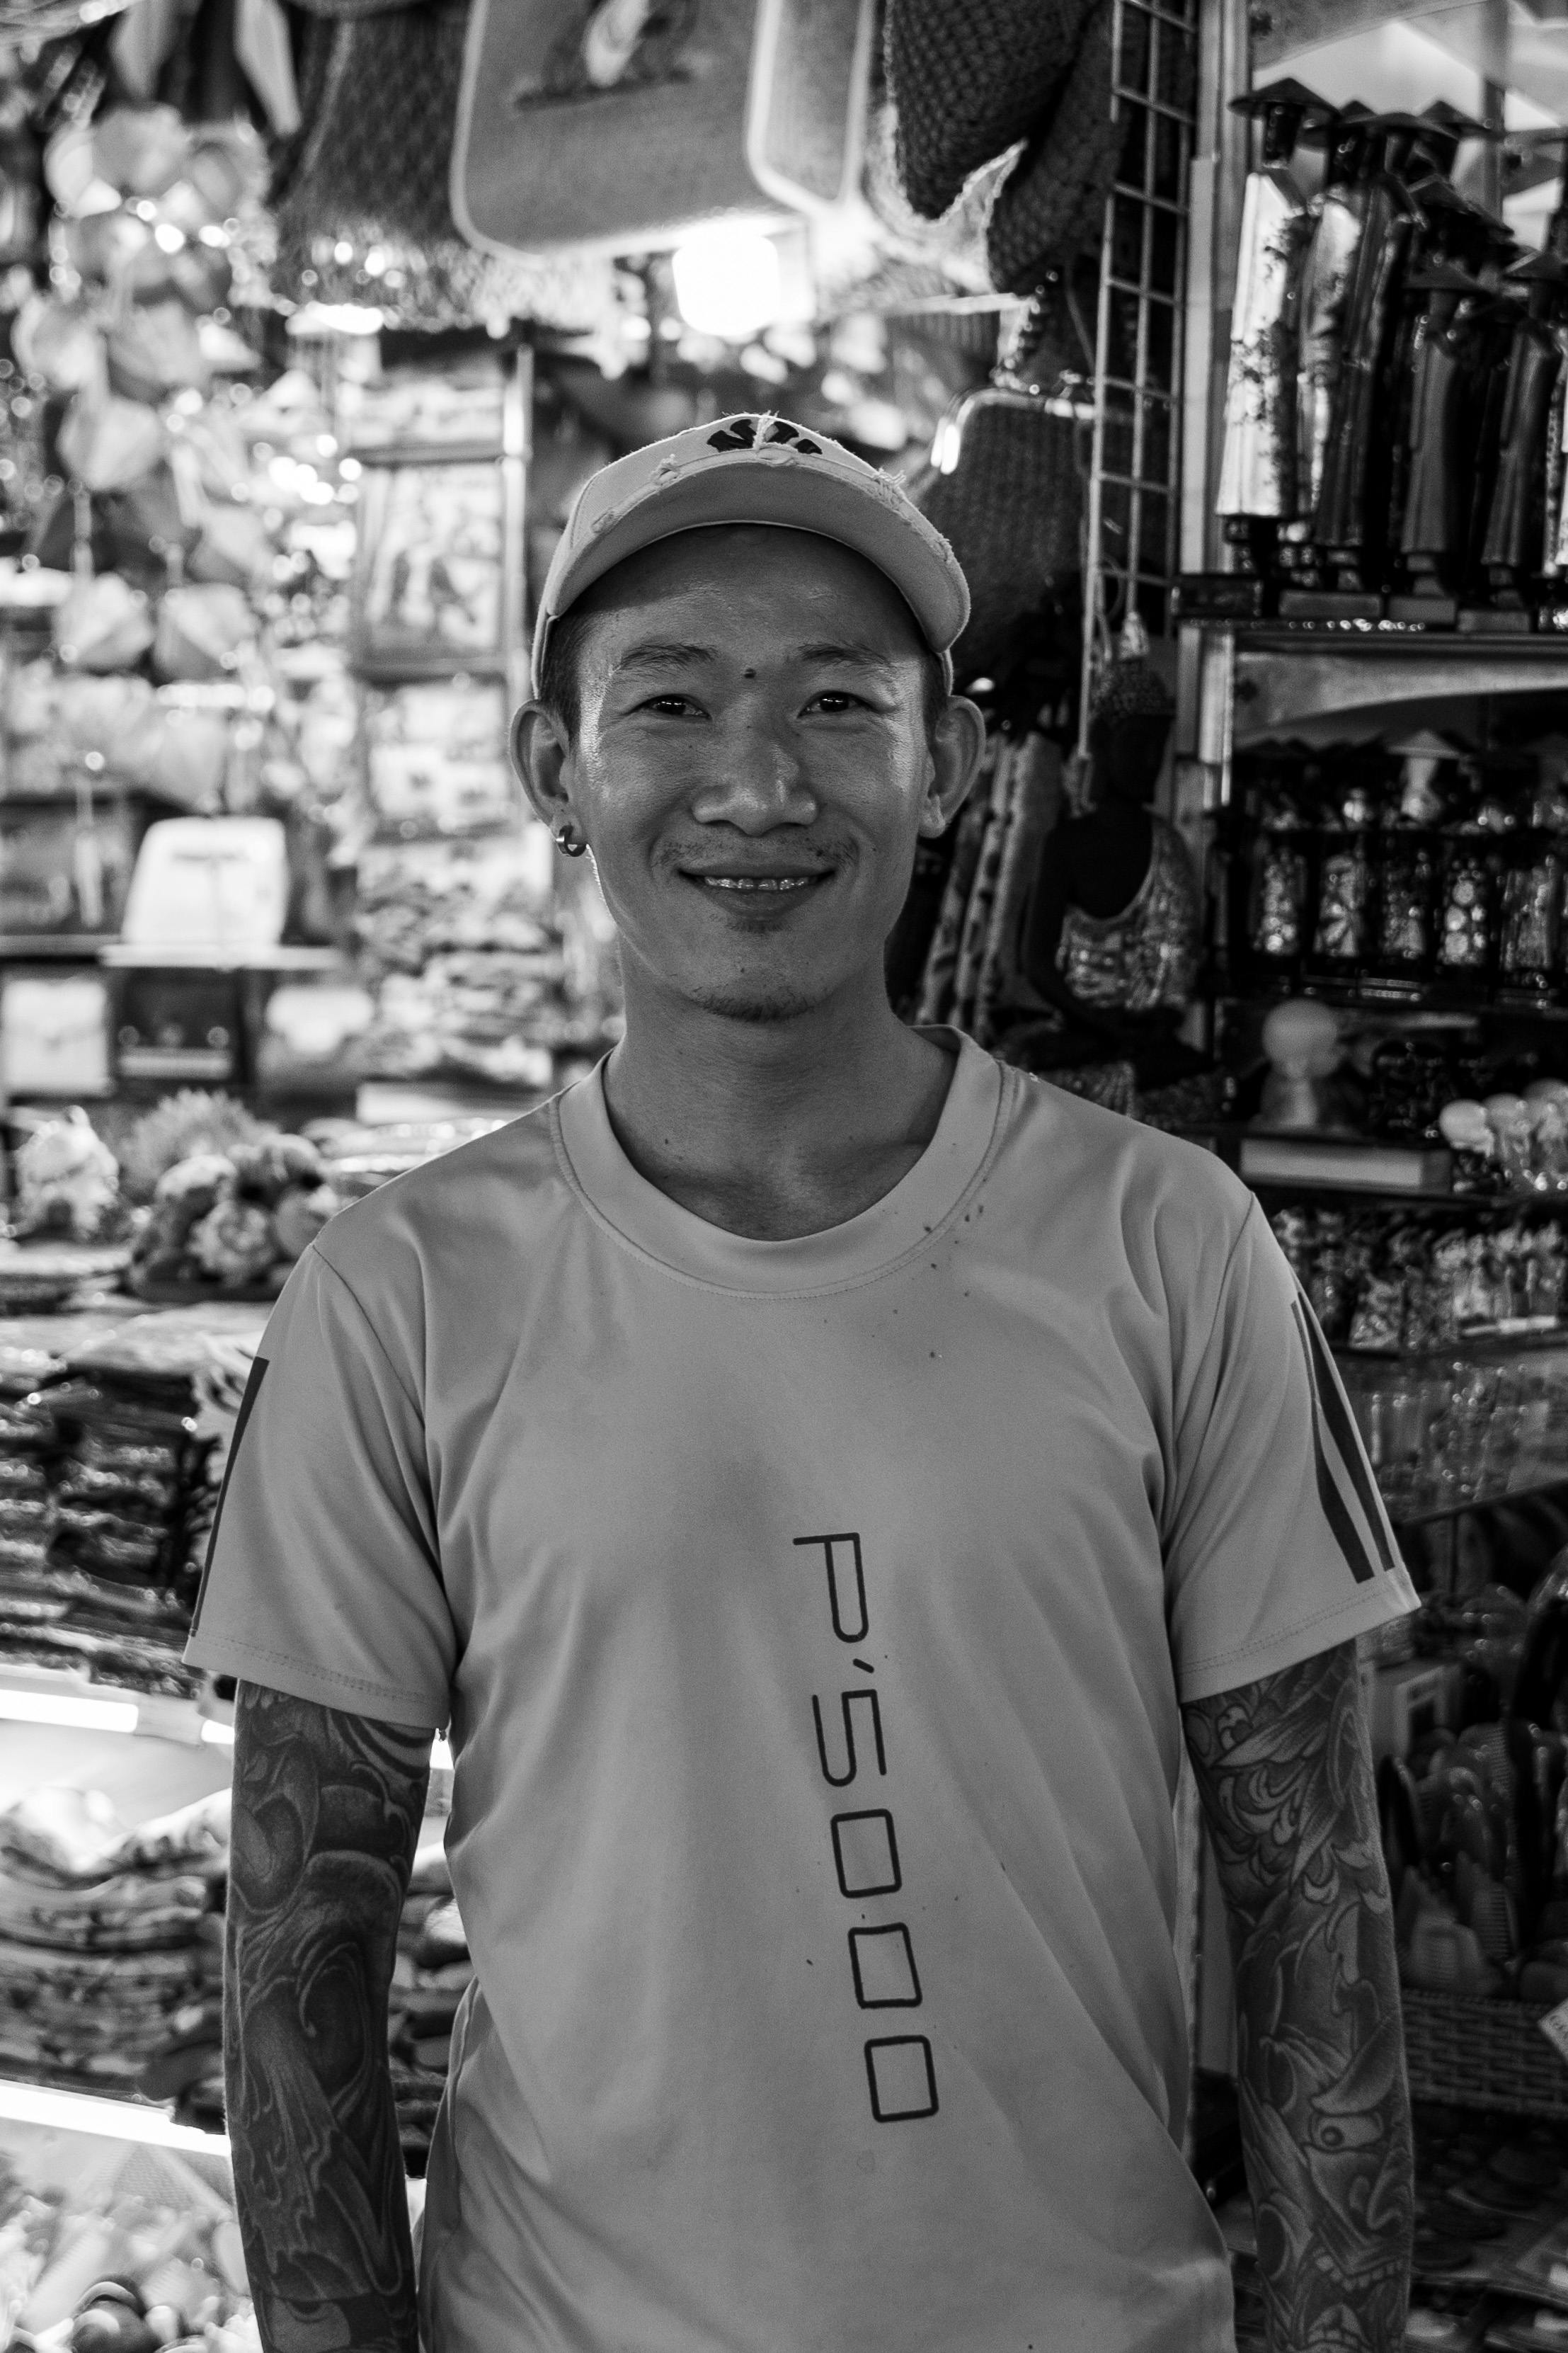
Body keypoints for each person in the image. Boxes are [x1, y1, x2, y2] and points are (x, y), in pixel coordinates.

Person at [190, 413, 1417, 2353]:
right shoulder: (398, 1296)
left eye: (839, 703)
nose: (759, 783)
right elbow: (298, 1944)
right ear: (555, 768)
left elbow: (1315, 1895)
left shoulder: (1170, 1245)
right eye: (671, 702)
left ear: (946, 765)